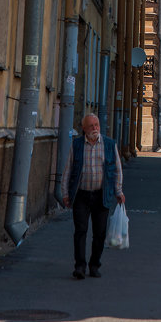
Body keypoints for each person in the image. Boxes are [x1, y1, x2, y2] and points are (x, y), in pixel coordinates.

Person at [62, 114, 125, 280]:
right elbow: (68, 170)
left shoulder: (109, 145)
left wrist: (118, 191)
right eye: (91, 126)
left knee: (100, 233)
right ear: (84, 128)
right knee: (80, 231)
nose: (95, 128)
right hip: (81, 195)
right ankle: (80, 266)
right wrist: (65, 193)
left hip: (101, 195)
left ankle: (94, 265)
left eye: (96, 125)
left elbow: (117, 170)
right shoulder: (76, 145)